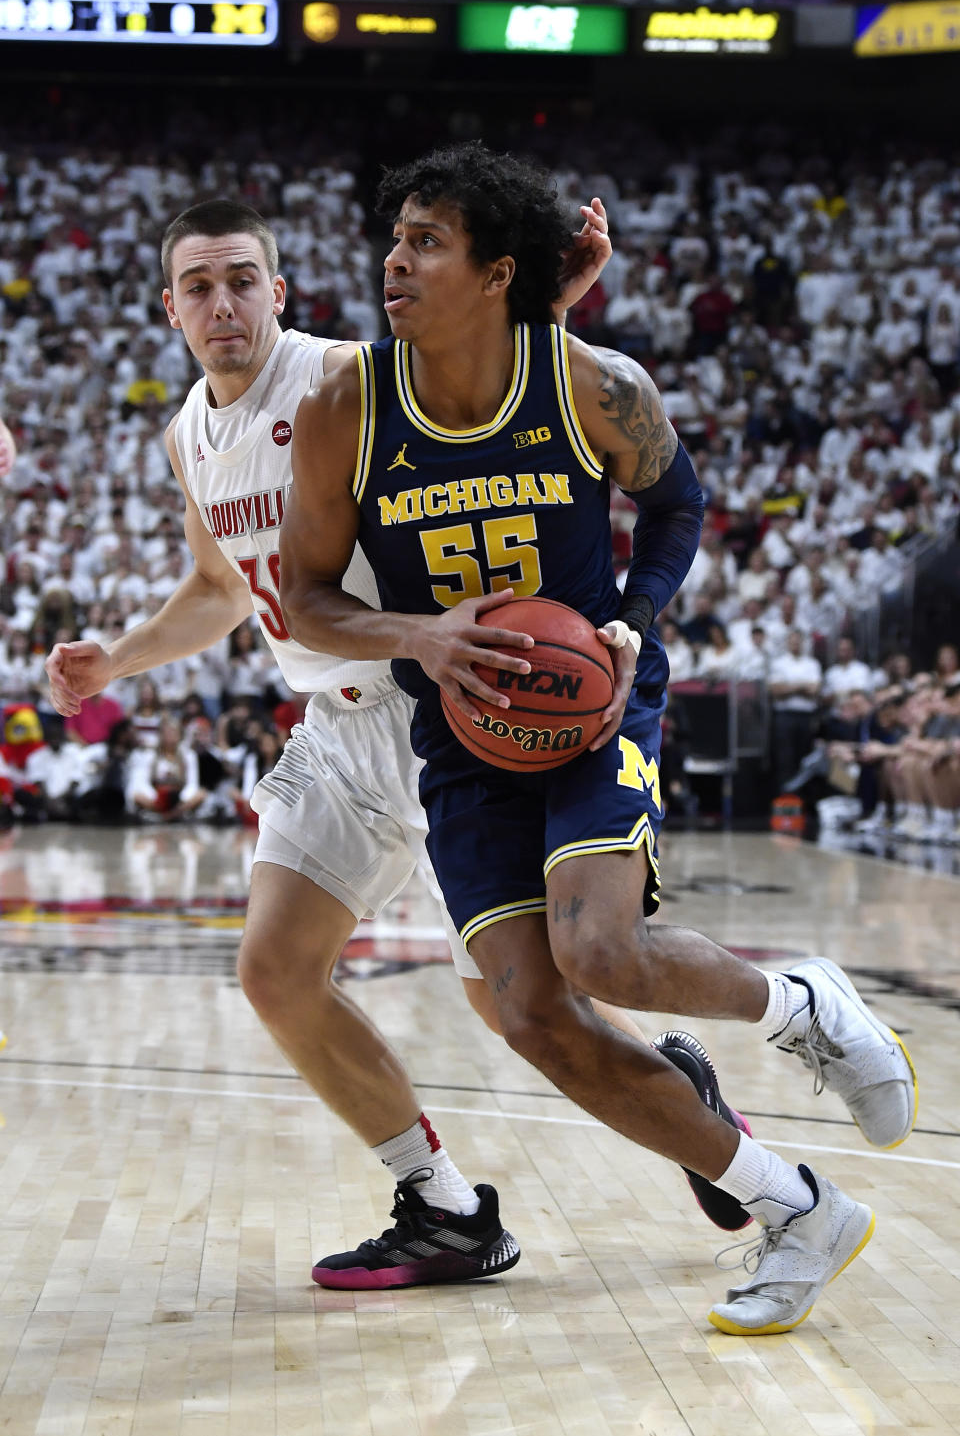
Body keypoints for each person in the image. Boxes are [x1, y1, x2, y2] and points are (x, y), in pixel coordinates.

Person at [45, 198, 746, 1295]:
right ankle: (444, 1204)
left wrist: (555, 300)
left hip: (446, 716)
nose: (221, 303)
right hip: (335, 730)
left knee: (523, 1006)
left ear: (279, 293)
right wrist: (116, 660)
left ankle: (682, 1086)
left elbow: (474, 376)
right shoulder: (188, 431)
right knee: (274, 971)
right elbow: (220, 587)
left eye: (241, 280)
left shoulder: (344, 378)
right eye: (198, 286)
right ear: (170, 306)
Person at [278, 142, 918, 1335]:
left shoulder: (587, 385)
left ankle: (799, 1005)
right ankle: (798, 1208)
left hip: (593, 707)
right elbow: (308, 595)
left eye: (426, 241)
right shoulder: (344, 407)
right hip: (461, 732)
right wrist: (419, 634)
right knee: (531, 1012)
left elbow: (678, 500)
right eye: (395, 235)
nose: (394, 259)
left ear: (495, 271)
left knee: (602, 954)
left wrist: (629, 618)